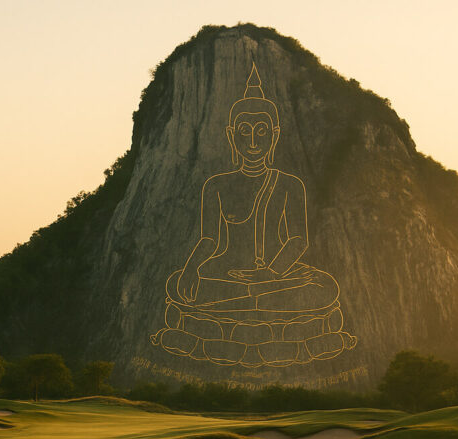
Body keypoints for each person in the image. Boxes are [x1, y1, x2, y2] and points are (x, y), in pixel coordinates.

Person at [152, 63, 356, 367]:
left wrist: (271, 273)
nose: (252, 141)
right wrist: (192, 268)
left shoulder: (289, 184)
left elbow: (298, 240)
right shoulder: (216, 185)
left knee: (324, 287)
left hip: (276, 279)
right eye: (244, 132)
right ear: (231, 135)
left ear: (274, 135)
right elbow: (210, 239)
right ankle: (279, 332)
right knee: (179, 283)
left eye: (261, 131)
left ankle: (218, 332)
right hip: (229, 277)